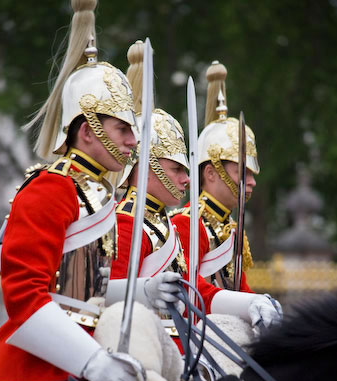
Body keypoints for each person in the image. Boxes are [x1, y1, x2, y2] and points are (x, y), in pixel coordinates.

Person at [0, 0, 180, 381]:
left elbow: (84, 292)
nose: (134, 143)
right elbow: (26, 302)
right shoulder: (52, 187)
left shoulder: (94, 193)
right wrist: (95, 362)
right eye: (122, 129)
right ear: (88, 128)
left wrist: (140, 293)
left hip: (79, 355)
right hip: (36, 367)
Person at [110, 42, 282, 340]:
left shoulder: (170, 225)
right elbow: (102, 300)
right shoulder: (132, 222)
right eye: (177, 170)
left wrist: (252, 302)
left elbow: (198, 291)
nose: (186, 180)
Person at [171, 60, 259, 292]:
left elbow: (239, 288)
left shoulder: (229, 225)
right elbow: (191, 288)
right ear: (210, 173)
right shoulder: (188, 223)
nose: (251, 181)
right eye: (243, 173)